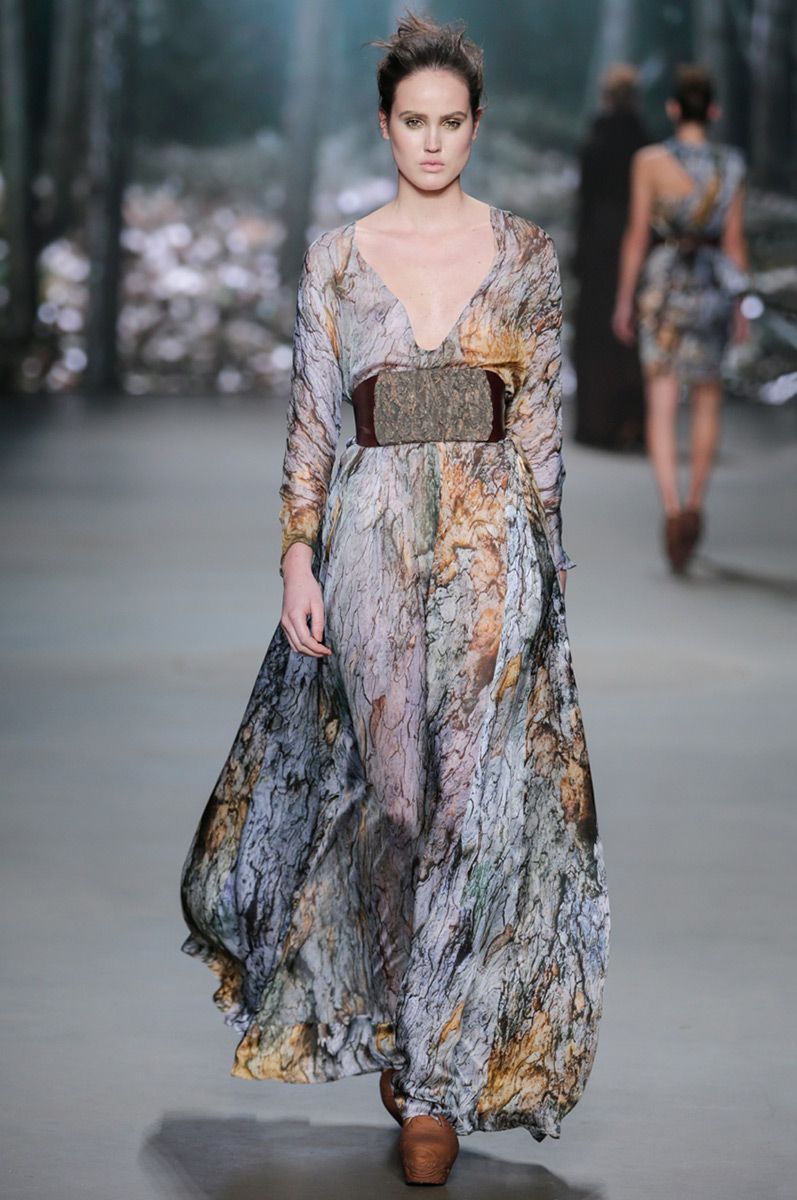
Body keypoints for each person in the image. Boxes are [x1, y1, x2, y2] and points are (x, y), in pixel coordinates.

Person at [180, 12, 610, 1187]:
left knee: (471, 806)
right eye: (412, 122)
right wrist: (295, 557)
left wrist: (547, 571)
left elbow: (537, 420)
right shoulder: (337, 256)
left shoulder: (524, 254)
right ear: (384, 126)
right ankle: (396, 1014)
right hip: (368, 541)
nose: (430, 141)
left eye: (449, 122)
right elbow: (314, 420)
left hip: (489, 543)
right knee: (394, 802)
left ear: (474, 126)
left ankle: (431, 1081)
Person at [612, 65, 750, 573]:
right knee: (708, 398)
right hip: (713, 287)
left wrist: (624, 299)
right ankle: (693, 506)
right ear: (713, 111)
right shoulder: (731, 165)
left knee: (662, 401)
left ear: (673, 108)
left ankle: (672, 511)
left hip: (664, 288)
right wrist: (741, 304)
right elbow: (734, 241)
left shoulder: (649, 162)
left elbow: (636, 235)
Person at [572, 64, 650, 451]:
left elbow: (585, 201)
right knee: (632, 333)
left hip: (599, 244)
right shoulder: (646, 143)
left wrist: (579, 253)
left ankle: (597, 423)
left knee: (596, 334)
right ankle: (630, 423)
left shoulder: (596, 140)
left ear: (606, 97)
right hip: (638, 241)